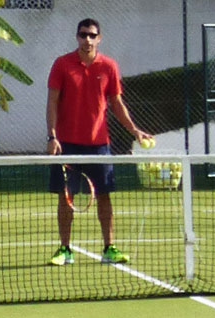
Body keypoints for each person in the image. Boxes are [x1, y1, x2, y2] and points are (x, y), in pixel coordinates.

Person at [46, 18, 152, 266]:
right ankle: (64, 249)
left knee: (104, 196)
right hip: (67, 144)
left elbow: (116, 103)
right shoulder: (62, 65)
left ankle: (109, 248)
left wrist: (135, 130)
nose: (88, 40)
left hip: (99, 145)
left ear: (99, 38)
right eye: (83, 35)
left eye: (92, 35)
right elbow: (52, 101)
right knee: (66, 196)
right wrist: (52, 136)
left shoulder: (109, 67)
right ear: (77, 37)